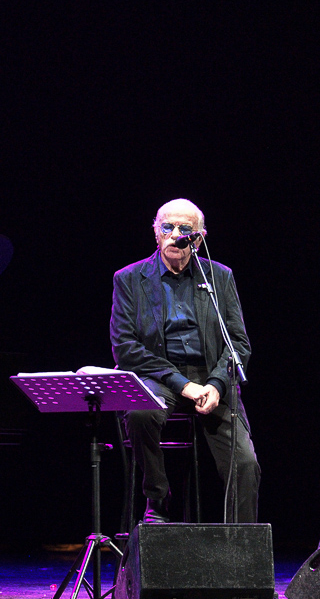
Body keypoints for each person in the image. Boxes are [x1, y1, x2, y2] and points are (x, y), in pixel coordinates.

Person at [111, 199, 260, 524]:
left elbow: (238, 343)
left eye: (185, 229)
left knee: (246, 464)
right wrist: (184, 385)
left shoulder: (219, 276)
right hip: (160, 377)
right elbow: (125, 348)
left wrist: (217, 384)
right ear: (156, 232)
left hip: (211, 379)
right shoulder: (129, 278)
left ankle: (242, 541)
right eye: (167, 227)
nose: (175, 235)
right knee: (139, 413)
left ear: (199, 238)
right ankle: (158, 498)